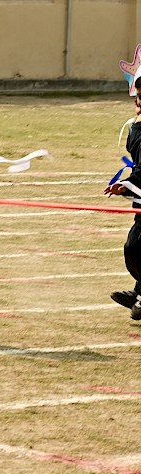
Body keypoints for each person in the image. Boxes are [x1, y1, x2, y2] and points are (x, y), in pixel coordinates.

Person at [107, 48, 141, 320]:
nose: (138, 103)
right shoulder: (136, 129)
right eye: (138, 96)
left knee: (135, 248)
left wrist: (127, 185)